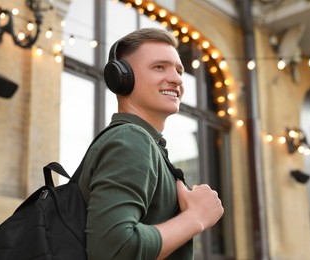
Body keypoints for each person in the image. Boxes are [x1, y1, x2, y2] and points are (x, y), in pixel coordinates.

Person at [78, 27, 224, 260]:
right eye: (159, 67)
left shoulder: (143, 143)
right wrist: (195, 218)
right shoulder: (131, 140)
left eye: (179, 70)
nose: (177, 78)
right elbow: (112, 250)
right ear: (121, 77)